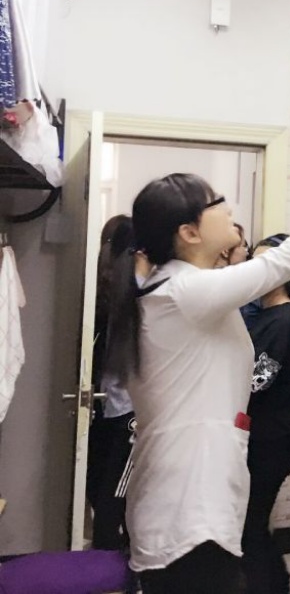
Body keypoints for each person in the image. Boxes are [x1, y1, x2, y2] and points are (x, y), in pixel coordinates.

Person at [104, 153, 290, 594]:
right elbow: (283, 261)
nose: (228, 208)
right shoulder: (186, 291)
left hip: (190, 499)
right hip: (189, 507)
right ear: (189, 232)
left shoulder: (181, 287)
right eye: (216, 202)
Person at [240, 234, 290, 594]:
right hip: (264, 438)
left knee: (250, 527)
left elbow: (259, 380)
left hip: (273, 441)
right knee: (252, 525)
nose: (256, 270)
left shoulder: (283, 319)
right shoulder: (266, 314)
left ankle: (274, 586)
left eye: (266, 264)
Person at [86, 214, 150, 551]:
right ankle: (109, 564)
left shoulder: (141, 294)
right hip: (105, 406)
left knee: (112, 500)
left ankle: (114, 566)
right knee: (101, 493)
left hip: (129, 414)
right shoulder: (102, 295)